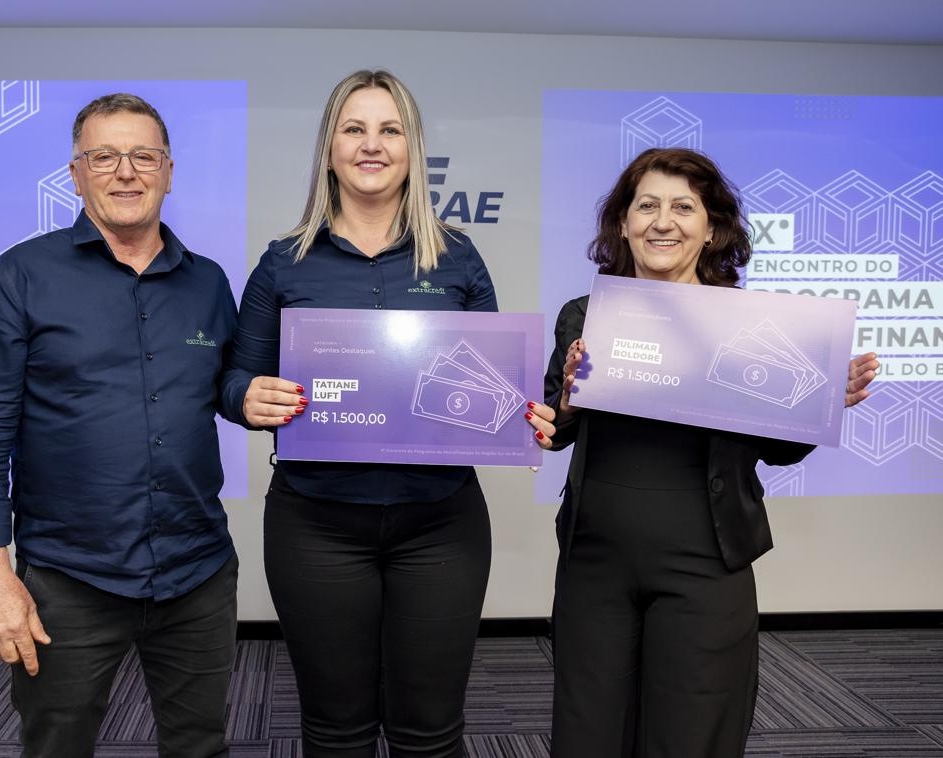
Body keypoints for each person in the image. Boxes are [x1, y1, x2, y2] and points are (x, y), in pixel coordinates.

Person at [221, 69, 554, 757]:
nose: (371, 144)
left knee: (429, 732)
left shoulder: (458, 257)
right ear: (329, 148)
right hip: (315, 525)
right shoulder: (284, 263)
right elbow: (233, 381)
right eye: (354, 129)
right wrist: (246, 399)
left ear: (412, 149)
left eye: (389, 129)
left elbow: (492, 384)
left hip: (441, 524)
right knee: (334, 730)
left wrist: (523, 416)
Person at [540, 147, 880, 758]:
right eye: (647, 206)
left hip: (706, 565)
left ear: (712, 229)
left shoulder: (746, 324)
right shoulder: (585, 315)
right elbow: (556, 427)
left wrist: (819, 406)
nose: (662, 222)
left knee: (693, 738)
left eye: (683, 208)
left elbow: (778, 450)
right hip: (595, 564)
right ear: (623, 223)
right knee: (588, 734)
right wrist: (565, 399)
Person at [0, 93, 241, 758]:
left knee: (201, 745)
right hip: (70, 579)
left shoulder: (208, 284)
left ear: (168, 171)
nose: (125, 172)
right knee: (57, 747)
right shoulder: (15, 279)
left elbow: (227, 388)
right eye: (104, 157)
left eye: (143, 156)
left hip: (199, 571)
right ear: (75, 174)